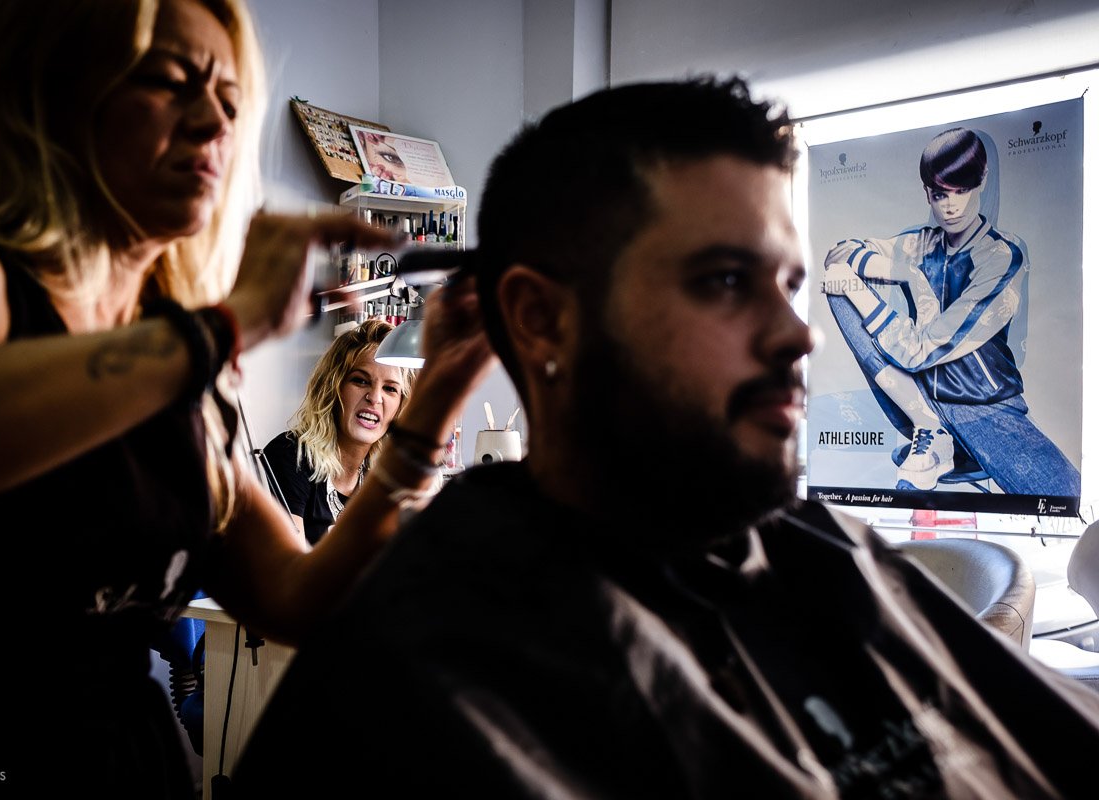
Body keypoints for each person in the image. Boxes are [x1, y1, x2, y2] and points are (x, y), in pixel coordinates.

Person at [234, 78, 1099, 798]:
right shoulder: (415, 677)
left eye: (790, 283)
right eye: (724, 280)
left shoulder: (819, 551)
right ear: (540, 319)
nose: (801, 335)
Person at [0, 0, 493, 795]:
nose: (215, 122)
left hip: (134, 760)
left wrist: (434, 403)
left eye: (229, 99)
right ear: (52, 92)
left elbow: (295, 596)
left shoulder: (179, 349)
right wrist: (222, 326)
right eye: (173, 81)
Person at [822, 127, 1080, 496]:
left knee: (1063, 498)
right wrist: (899, 270)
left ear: (982, 182)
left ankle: (940, 433)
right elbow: (840, 253)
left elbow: (920, 351)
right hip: (919, 399)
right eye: (941, 193)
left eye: (962, 191)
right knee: (837, 284)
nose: (950, 206)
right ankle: (930, 429)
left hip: (982, 406)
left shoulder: (1001, 256)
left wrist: (909, 279)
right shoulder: (921, 244)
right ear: (928, 191)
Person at [262, 319, 412, 547]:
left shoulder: (385, 477)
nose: (375, 397)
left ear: (401, 405)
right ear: (334, 387)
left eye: (390, 388)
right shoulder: (292, 456)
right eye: (360, 381)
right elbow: (291, 571)